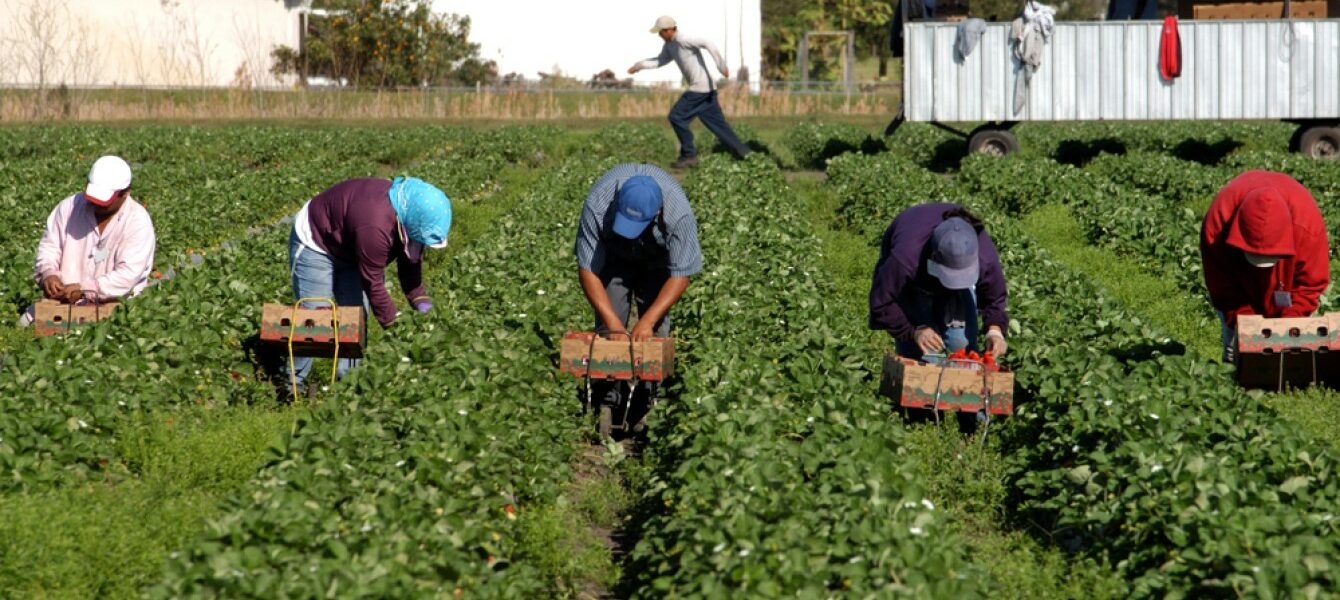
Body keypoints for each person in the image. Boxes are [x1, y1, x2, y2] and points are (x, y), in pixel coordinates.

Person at [283, 176, 451, 395]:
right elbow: (373, 283)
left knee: (356, 316)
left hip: (352, 246)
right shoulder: (376, 224)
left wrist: (423, 305)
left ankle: (347, 385)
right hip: (317, 240)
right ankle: (292, 386)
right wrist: (398, 329)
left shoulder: (408, 218)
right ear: (412, 221)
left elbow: (410, 271)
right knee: (315, 316)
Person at [574, 163, 701, 435]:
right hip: (614, 257)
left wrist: (648, 319)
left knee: (653, 334)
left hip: (657, 261)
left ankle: (647, 400)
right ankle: (608, 399)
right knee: (610, 331)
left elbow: (681, 273)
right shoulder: (598, 203)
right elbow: (587, 269)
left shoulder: (679, 214)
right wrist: (614, 324)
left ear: (658, 212)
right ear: (618, 202)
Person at [1200, 170, 1330, 363]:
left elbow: (1309, 285)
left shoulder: (1307, 226)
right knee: (1237, 353)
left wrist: (1289, 326)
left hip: (1287, 290)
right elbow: (1223, 289)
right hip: (1239, 286)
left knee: (1294, 355)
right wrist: (1245, 326)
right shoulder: (1217, 225)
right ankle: (1236, 380)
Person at [23, 155, 156, 325]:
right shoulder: (69, 208)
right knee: (26, 326)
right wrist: (48, 273)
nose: (96, 205)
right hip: (63, 302)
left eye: (104, 202)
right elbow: (50, 247)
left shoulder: (137, 222)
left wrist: (86, 289)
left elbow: (127, 275)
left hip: (116, 306)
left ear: (125, 194)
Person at [868, 203, 1009, 361]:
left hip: (956, 290)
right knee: (922, 355)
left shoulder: (984, 256)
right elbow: (881, 302)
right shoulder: (905, 258)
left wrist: (995, 331)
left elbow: (995, 297)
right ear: (934, 257)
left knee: (962, 346)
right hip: (915, 283)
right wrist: (914, 331)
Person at [629, 15, 751, 168]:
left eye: (661, 32)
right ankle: (745, 154)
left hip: (699, 89)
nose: (659, 36)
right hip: (708, 90)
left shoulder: (684, 40)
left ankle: (688, 155)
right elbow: (660, 61)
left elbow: (708, 43)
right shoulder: (669, 45)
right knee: (718, 125)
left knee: (676, 117)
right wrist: (639, 65)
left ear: (670, 30)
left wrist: (721, 66)